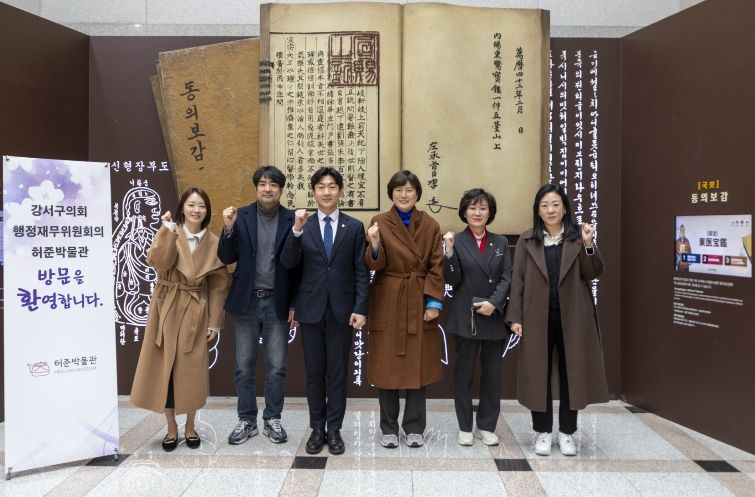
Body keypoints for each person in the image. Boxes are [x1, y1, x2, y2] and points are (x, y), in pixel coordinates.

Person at [505, 183, 608, 457]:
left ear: (565, 209)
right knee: (537, 373)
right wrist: (515, 317)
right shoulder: (528, 240)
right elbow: (518, 281)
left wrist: (589, 244)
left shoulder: (577, 238)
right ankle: (543, 431)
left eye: (555, 205)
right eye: (544, 205)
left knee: (571, 373)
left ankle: (567, 432)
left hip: (573, 317)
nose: (550, 210)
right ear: (538, 211)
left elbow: (593, 272)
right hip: (536, 316)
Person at [131, 187, 229, 451]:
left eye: (202, 206)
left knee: (192, 372)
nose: (196, 210)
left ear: (207, 211)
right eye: (191, 205)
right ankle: (171, 428)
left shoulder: (214, 243)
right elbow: (160, 263)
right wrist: (166, 231)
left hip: (195, 311)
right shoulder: (171, 231)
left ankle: (190, 426)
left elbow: (219, 287)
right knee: (164, 370)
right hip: (166, 308)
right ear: (182, 208)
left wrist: (214, 322)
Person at [280, 167, 369, 455]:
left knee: (338, 373)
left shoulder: (354, 227)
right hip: (310, 309)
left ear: (340, 191)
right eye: (321, 187)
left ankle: (335, 429)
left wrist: (360, 308)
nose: (327, 192)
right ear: (313, 192)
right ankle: (317, 428)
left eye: (332, 186)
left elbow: (360, 271)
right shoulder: (301, 225)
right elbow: (289, 265)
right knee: (314, 373)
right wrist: (296, 231)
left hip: (343, 311)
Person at [218, 166, 298, 445]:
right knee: (244, 365)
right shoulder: (240, 216)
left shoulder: (292, 219)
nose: (267, 189)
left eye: (273, 184)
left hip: (278, 301)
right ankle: (246, 420)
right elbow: (226, 257)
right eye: (262, 183)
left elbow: (298, 266)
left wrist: (294, 304)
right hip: (246, 301)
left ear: (281, 189)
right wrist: (228, 229)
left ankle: (272, 418)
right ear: (256, 188)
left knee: (277, 366)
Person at [364, 170, 445, 449]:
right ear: (391, 193)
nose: (404, 195)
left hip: (418, 298)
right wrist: (375, 244)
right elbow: (373, 264)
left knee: (417, 369)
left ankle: (414, 427)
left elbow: (437, 266)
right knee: (387, 367)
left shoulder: (430, 224)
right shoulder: (379, 222)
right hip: (388, 298)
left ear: (417, 193)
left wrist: (433, 303)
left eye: (409, 190)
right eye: (398, 190)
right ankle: (388, 427)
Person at [442, 188, 512, 447]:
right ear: (464, 212)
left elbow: (507, 277)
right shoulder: (456, 240)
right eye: (472, 208)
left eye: (483, 208)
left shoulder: (500, 242)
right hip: (466, 316)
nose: (477, 213)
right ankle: (464, 426)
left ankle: (486, 425)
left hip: (493, 315)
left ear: (490, 212)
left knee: (492, 375)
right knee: (464, 375)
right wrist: (449, 253)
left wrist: (494, 303)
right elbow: (452, 279)